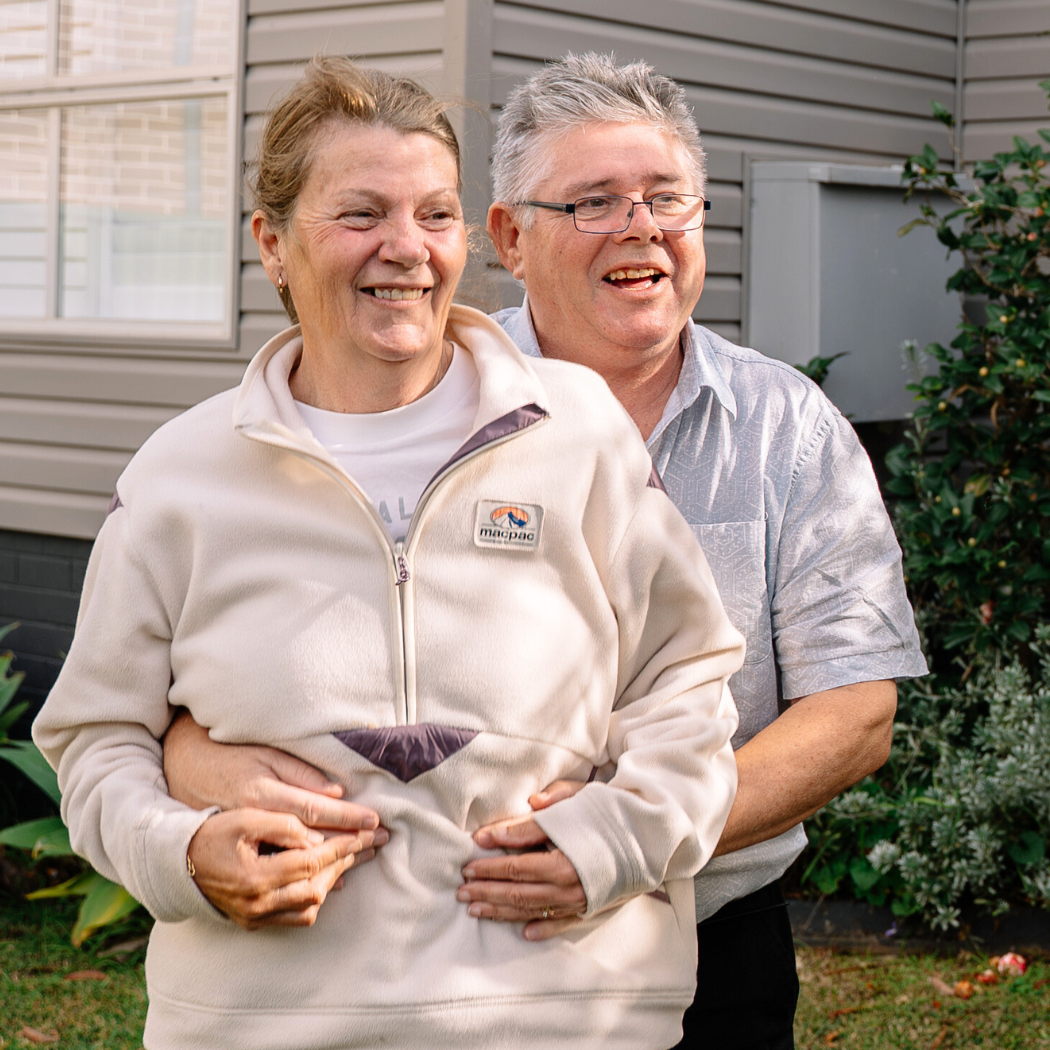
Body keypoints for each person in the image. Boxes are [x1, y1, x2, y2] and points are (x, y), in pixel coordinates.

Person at [161, 53, 929, 1049]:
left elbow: (857, 706)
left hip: (717, 935)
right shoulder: (399, 400)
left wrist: (628, 841)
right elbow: (203, 679)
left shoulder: (788, 428)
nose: (642, 226)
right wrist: (206, 769)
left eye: (668, 198)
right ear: (511, 238)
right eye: (596, 202)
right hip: (454, 962)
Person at [32, 57, 746, 1050]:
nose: (407, 249)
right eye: (361, 214)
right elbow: (95, 742)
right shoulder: (180, 476)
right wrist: (187, 851)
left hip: (573, 1021)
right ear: (272, 244)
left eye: (437, 215)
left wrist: (614, 842)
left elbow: (689, 686)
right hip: (263, 1027)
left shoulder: (576, 430)